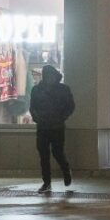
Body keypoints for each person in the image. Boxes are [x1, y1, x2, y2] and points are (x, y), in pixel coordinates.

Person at [29, 64, 75, 193]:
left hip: (57, 126)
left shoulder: (63, 89)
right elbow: (32, 107)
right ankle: (46, 182)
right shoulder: (36, 90)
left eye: (52, 76)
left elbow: (70, 106)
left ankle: (66, 171)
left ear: (55, 76)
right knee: (44, 155)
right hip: (42, 127)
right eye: (47, 76)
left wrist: (62, 117)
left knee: (57, 152)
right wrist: (36, 117)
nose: (50, 78)